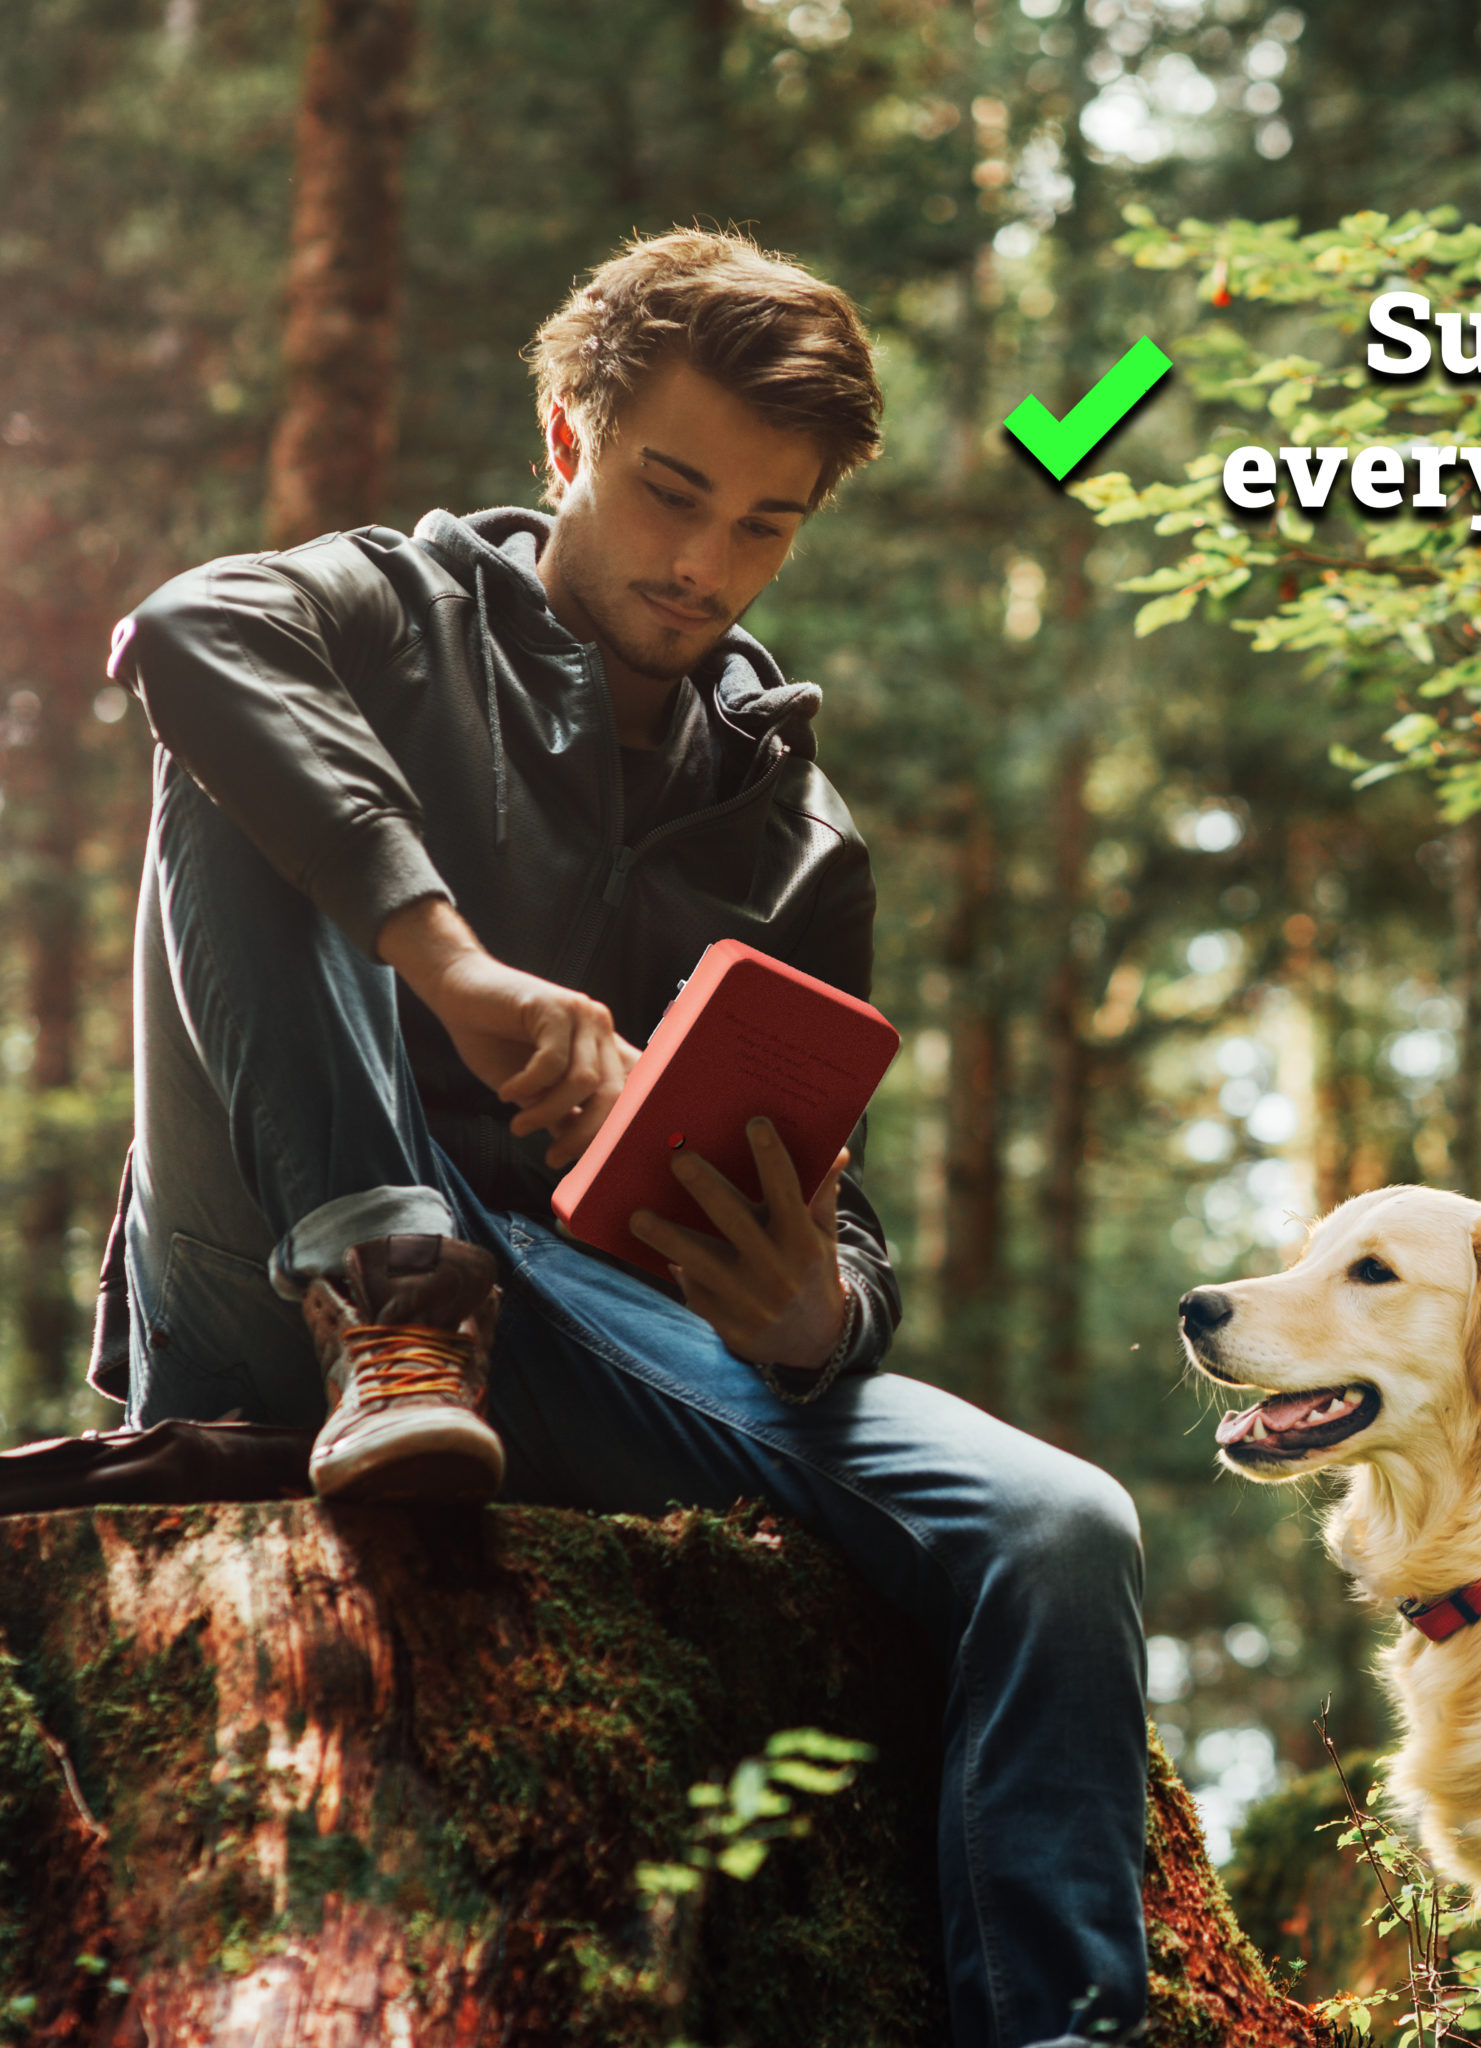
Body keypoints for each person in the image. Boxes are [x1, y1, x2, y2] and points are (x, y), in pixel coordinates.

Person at [85, 227, 1148, 2048]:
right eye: (674, 492)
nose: (707, 563)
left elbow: (846, 1217)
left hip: (586, 1339)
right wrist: (452, 959)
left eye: (766, 524)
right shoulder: (394, 610)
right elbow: (185, 632)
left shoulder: (797, 835)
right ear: (568, 440)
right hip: (266, 1275)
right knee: (240, 750)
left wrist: (820, 1316)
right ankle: (388, 1284)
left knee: (1063, 1527)